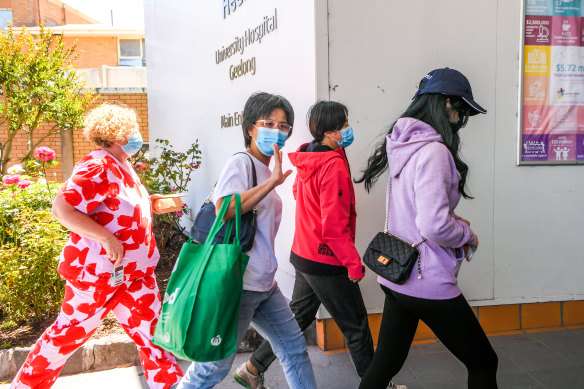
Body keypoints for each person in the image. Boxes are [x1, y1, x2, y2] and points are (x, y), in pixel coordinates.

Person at [233, 101, 405, 389]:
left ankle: (251, 369)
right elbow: (334, 226)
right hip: (327, 259)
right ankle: (379, 386)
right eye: (345, 124)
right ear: (331, 131)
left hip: (304, 252)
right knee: (357, 328)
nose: (349, 130)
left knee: (299, 316)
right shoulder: (333, 165)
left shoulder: (308, 157)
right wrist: (352, 264)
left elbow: (301, 195)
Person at [11, 104, 183, 389]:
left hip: (134, 275)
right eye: (132, 130)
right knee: (65, 338)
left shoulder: (121, 164)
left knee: (156, 337)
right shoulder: (97, 165)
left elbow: (115, 207)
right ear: (116, 134)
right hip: (97, 277)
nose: (137, 135)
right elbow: (62, 210)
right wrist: (106, 238)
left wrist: (149, 204)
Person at [355, 68, 499, 389]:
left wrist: (452, 221)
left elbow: (413, 213)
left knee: (384, 367)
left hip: (397, 275)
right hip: (426, 280)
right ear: (445, 103)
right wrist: (466, 235)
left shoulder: (402, 145)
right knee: (484, 362)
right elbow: (432, 224)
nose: (461, 119)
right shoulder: (434, 152)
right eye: (460, 110)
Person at [177, 92, 317, 389]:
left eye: (283, 126)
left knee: (294, 349)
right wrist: (271, 184)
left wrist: (272, 181)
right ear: (251, 128)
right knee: (213, 367)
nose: (277, 130)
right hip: (238, 284)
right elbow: (224, 209)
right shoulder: (242, 163)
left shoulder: (266, 168)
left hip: (264, 284)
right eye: (269, 123)